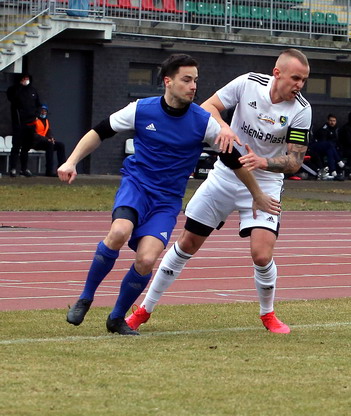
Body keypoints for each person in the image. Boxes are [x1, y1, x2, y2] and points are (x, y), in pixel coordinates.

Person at [61, 54, 280, 336]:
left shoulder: (203, 122)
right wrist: (71, 161)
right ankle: (85, 298)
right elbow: (100, 131)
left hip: (166, 201)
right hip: (137, 188)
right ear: (168, 81)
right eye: (186, 80)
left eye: (195, 81)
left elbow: (233, 161)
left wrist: (257, 194)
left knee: (147, 259)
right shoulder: (141, 109)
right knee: (119, 232)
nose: (193, 86)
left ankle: (116, 318)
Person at [126, 48, 312, 334]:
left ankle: (268, 314)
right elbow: (208, 107)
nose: (300, 85)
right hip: (226, 175)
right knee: (187, 243)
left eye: (304, 80)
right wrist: (224, 127)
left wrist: (263, 162)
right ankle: (144, 309)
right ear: (277, 73)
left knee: (261, 255)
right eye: (296, 78)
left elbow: (295, 161)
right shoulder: (248, 83)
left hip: (265, 183)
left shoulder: (301, 110)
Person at [6, 73, 42, 177]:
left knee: (26, 147)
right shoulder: (13, 90)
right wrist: (20, 87)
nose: (26, 80)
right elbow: (12, 99)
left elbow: (39, 105)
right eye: (24, 78)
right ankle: (13, 168)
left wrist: (37, 115)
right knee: (16, 146)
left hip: (31, 123)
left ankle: (24, 169)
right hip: (19, 123)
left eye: (27, 78)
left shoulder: (33, 91)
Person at [30, 105, 66, 177]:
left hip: (45, 142)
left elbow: (49, 132)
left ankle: (61, 170)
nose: (43, 113)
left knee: (60, 145)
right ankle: (49, 171)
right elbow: (33, 135)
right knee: (50, 144)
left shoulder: (46, 121)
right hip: (36, 143)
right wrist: (47, 139)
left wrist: (51, 138)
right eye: (42, 111)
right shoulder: (34, 121)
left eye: (45, 111)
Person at [308, 113, 344, 180]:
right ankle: (338, 161)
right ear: (327, 121)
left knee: (330, 150)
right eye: (331, 120)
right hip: (318, 147)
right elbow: (323, 142)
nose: (332, 122)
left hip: (331, 149)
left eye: (334, 121)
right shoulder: (324, 129)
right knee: (329, 145)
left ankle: (333, 171)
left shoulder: (337, 129)